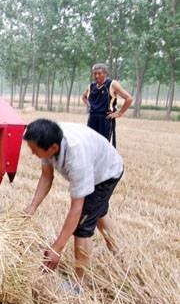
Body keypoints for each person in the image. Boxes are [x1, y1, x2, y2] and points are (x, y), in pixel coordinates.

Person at [23, 119, 123, 288]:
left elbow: (77, 208)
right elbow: (47, 177)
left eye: (35, 150)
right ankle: (118, 252)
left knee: (83, 226)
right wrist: (32, 206)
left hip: (106, 173)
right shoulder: (48, 139)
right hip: (97, 162)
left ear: (53, 148)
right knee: (97, 212)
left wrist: (57, 248)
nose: (33, 153)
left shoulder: (77, 159)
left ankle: (79, 284)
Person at [81, 63, 132, 147]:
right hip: (92, 118)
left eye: (99, 73)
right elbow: (83, 97)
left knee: (103, 145)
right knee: (90, 144)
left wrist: (119, 113)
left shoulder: (112, 84)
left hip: (105, 119)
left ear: (105, 74)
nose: (97, 76)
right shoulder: (91, 86)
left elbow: (129, 98)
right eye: (95, 73)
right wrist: (89, 106)